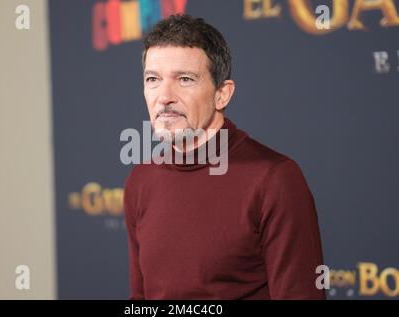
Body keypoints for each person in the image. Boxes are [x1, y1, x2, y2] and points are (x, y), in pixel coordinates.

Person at [124, 14, 326, 300]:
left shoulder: (274, 179)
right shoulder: (140, 181)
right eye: (153, 79)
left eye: (184, 79)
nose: (164, 96)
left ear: (222, 95)